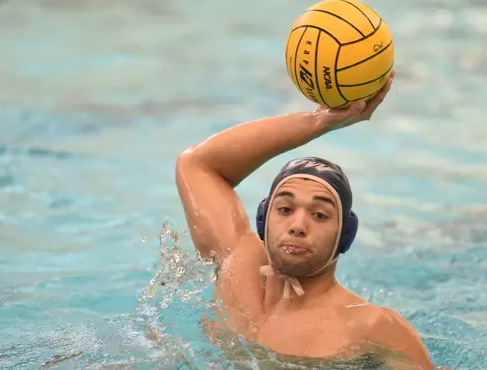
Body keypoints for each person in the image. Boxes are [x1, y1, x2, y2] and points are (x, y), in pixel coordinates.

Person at [174, 70, 435, 370]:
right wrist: (319, 121)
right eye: (285, 209)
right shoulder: (236, 267)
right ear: (263, 219)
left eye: (320, 215)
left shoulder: (372, 328)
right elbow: (197, 163)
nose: (298, 225)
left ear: (345, 235)